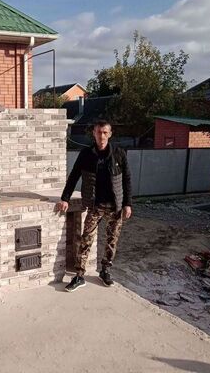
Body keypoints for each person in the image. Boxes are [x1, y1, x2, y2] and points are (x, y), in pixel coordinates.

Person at [57, 120, 132, 292]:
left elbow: (127, 179)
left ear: (110, 134)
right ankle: (79, 275)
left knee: (112, 240)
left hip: (115, 207)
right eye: (99, 132)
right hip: (95, 206)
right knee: (86, 239)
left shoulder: (119, 153)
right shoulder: (86, 154)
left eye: (105, 132)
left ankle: (105, 271)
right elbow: (74, 176)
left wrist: (128, 203)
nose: (102, 136)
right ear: (94, 133)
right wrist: (65, 198)